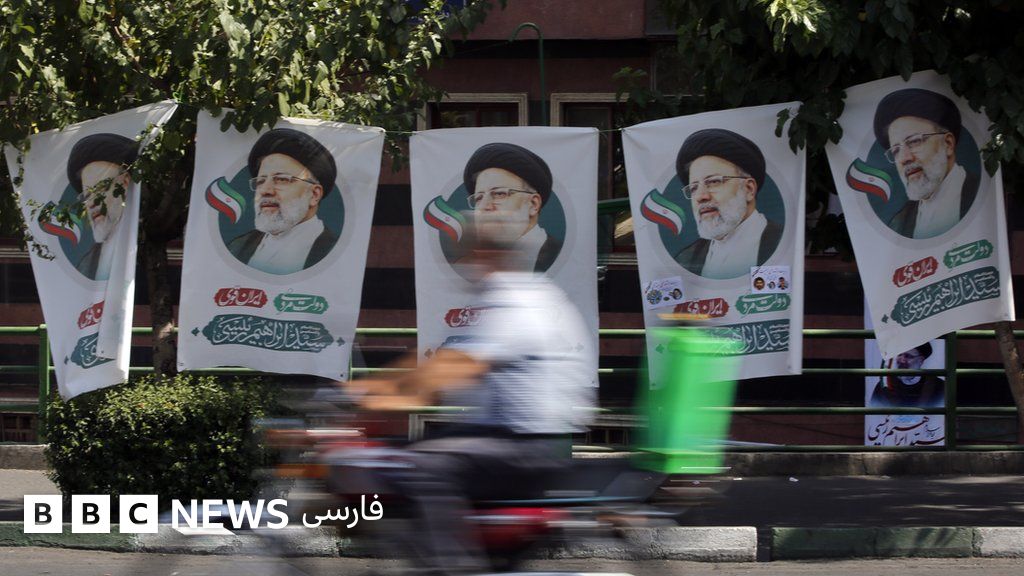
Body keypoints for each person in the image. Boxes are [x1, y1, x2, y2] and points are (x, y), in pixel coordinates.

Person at [343, 230, 595, 575]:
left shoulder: (516, 300)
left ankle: (448, 565)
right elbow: (441, 359)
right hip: (501, 437)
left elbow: (459, 366)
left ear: (485, 254)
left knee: (421, 464)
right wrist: (376, 385)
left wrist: (386, 399)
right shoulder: (511, 297)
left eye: (466, 257)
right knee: (398, 450)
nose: (463, 266)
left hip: (524, 444)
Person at [672, 129, 783, 279]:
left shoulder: (783, 242)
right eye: (693, 188)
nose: (701, 197)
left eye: (713, 182)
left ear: (749, 189)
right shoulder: (685, 259)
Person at [227, 128, 338, 274]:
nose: (265, 190)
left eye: (281, 179)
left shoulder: (334, 251)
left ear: (314, 195)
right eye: (260, 181)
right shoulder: (237, 247)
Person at [873, 88, 980, 239]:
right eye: (896, 150)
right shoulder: (898, 224)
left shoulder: (981, 193)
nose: (904, 158)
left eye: (914, 141)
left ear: (948, 144)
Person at [462, 142, 562, 272]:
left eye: (499, 194)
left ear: (533, 204)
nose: (484, 206)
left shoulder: (559, 257)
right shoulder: (471, 266)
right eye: (479, 198)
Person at [66, 133, 139, 281]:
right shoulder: (84, 266)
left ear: (125, 182)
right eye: (87, 196)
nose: (91, 203)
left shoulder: (145, 249)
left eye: (99, 190)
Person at [869, 342, 945, 408]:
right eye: (899, 355)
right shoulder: (886, 385)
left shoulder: (937, 386)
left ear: (921, 360)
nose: (902, 360)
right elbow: (875, 415)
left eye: (908, 356)